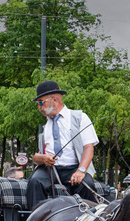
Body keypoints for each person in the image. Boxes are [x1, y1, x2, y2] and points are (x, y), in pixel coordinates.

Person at [27, 80, 99, 209]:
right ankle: (35, 220)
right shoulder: (44, 125)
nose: (39, 107)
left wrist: (81, 170)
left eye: (40, 102)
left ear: (54, 100)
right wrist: (43, 158)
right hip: (50, 169)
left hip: (74, 167)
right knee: (35, 181)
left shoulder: (80, 117)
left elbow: (88, 147)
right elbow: (36, 157)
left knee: (87, 184)